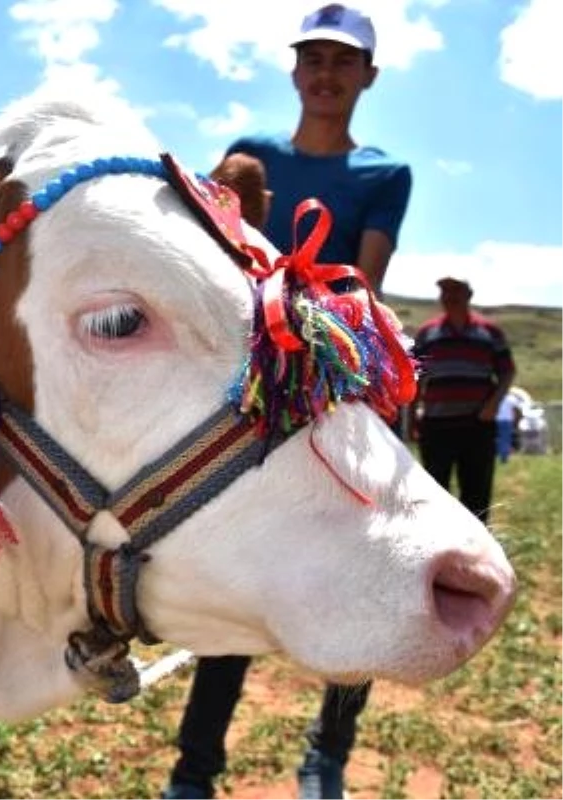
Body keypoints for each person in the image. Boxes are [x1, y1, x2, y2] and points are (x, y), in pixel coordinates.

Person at [161, 5, 413, 800]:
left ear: (368, 76)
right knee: (240, 571)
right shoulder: (250, 156)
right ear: (294, 69)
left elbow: (358, 283)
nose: (326, 73)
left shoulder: (384, 175)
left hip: (339, 379)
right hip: (257, 388)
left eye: (343, 61)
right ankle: (195, 770)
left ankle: (328, 756)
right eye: (312, 58)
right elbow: (208, 253)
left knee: (369, 570)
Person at [413, 277, 515, 521]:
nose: (449, 296)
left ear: (469, 294)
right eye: (444, 291)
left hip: (477, 425)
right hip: (436, 425)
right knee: (434, 493)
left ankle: (476, 552)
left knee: (477, 493)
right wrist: (412, 415)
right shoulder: (428, 333)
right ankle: (436, 551)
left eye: (455, 291)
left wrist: (493, 406)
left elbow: (507, 371)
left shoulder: (490, 333)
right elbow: (414, 377)